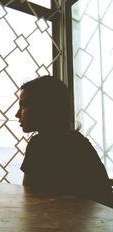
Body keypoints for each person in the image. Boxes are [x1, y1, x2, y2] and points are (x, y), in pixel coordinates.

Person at [15, 75, 112, 205]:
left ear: (43, 107)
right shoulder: (79, 141)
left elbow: (29, 199)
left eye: (23, 105)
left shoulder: (40, 145)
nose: (17, 114)